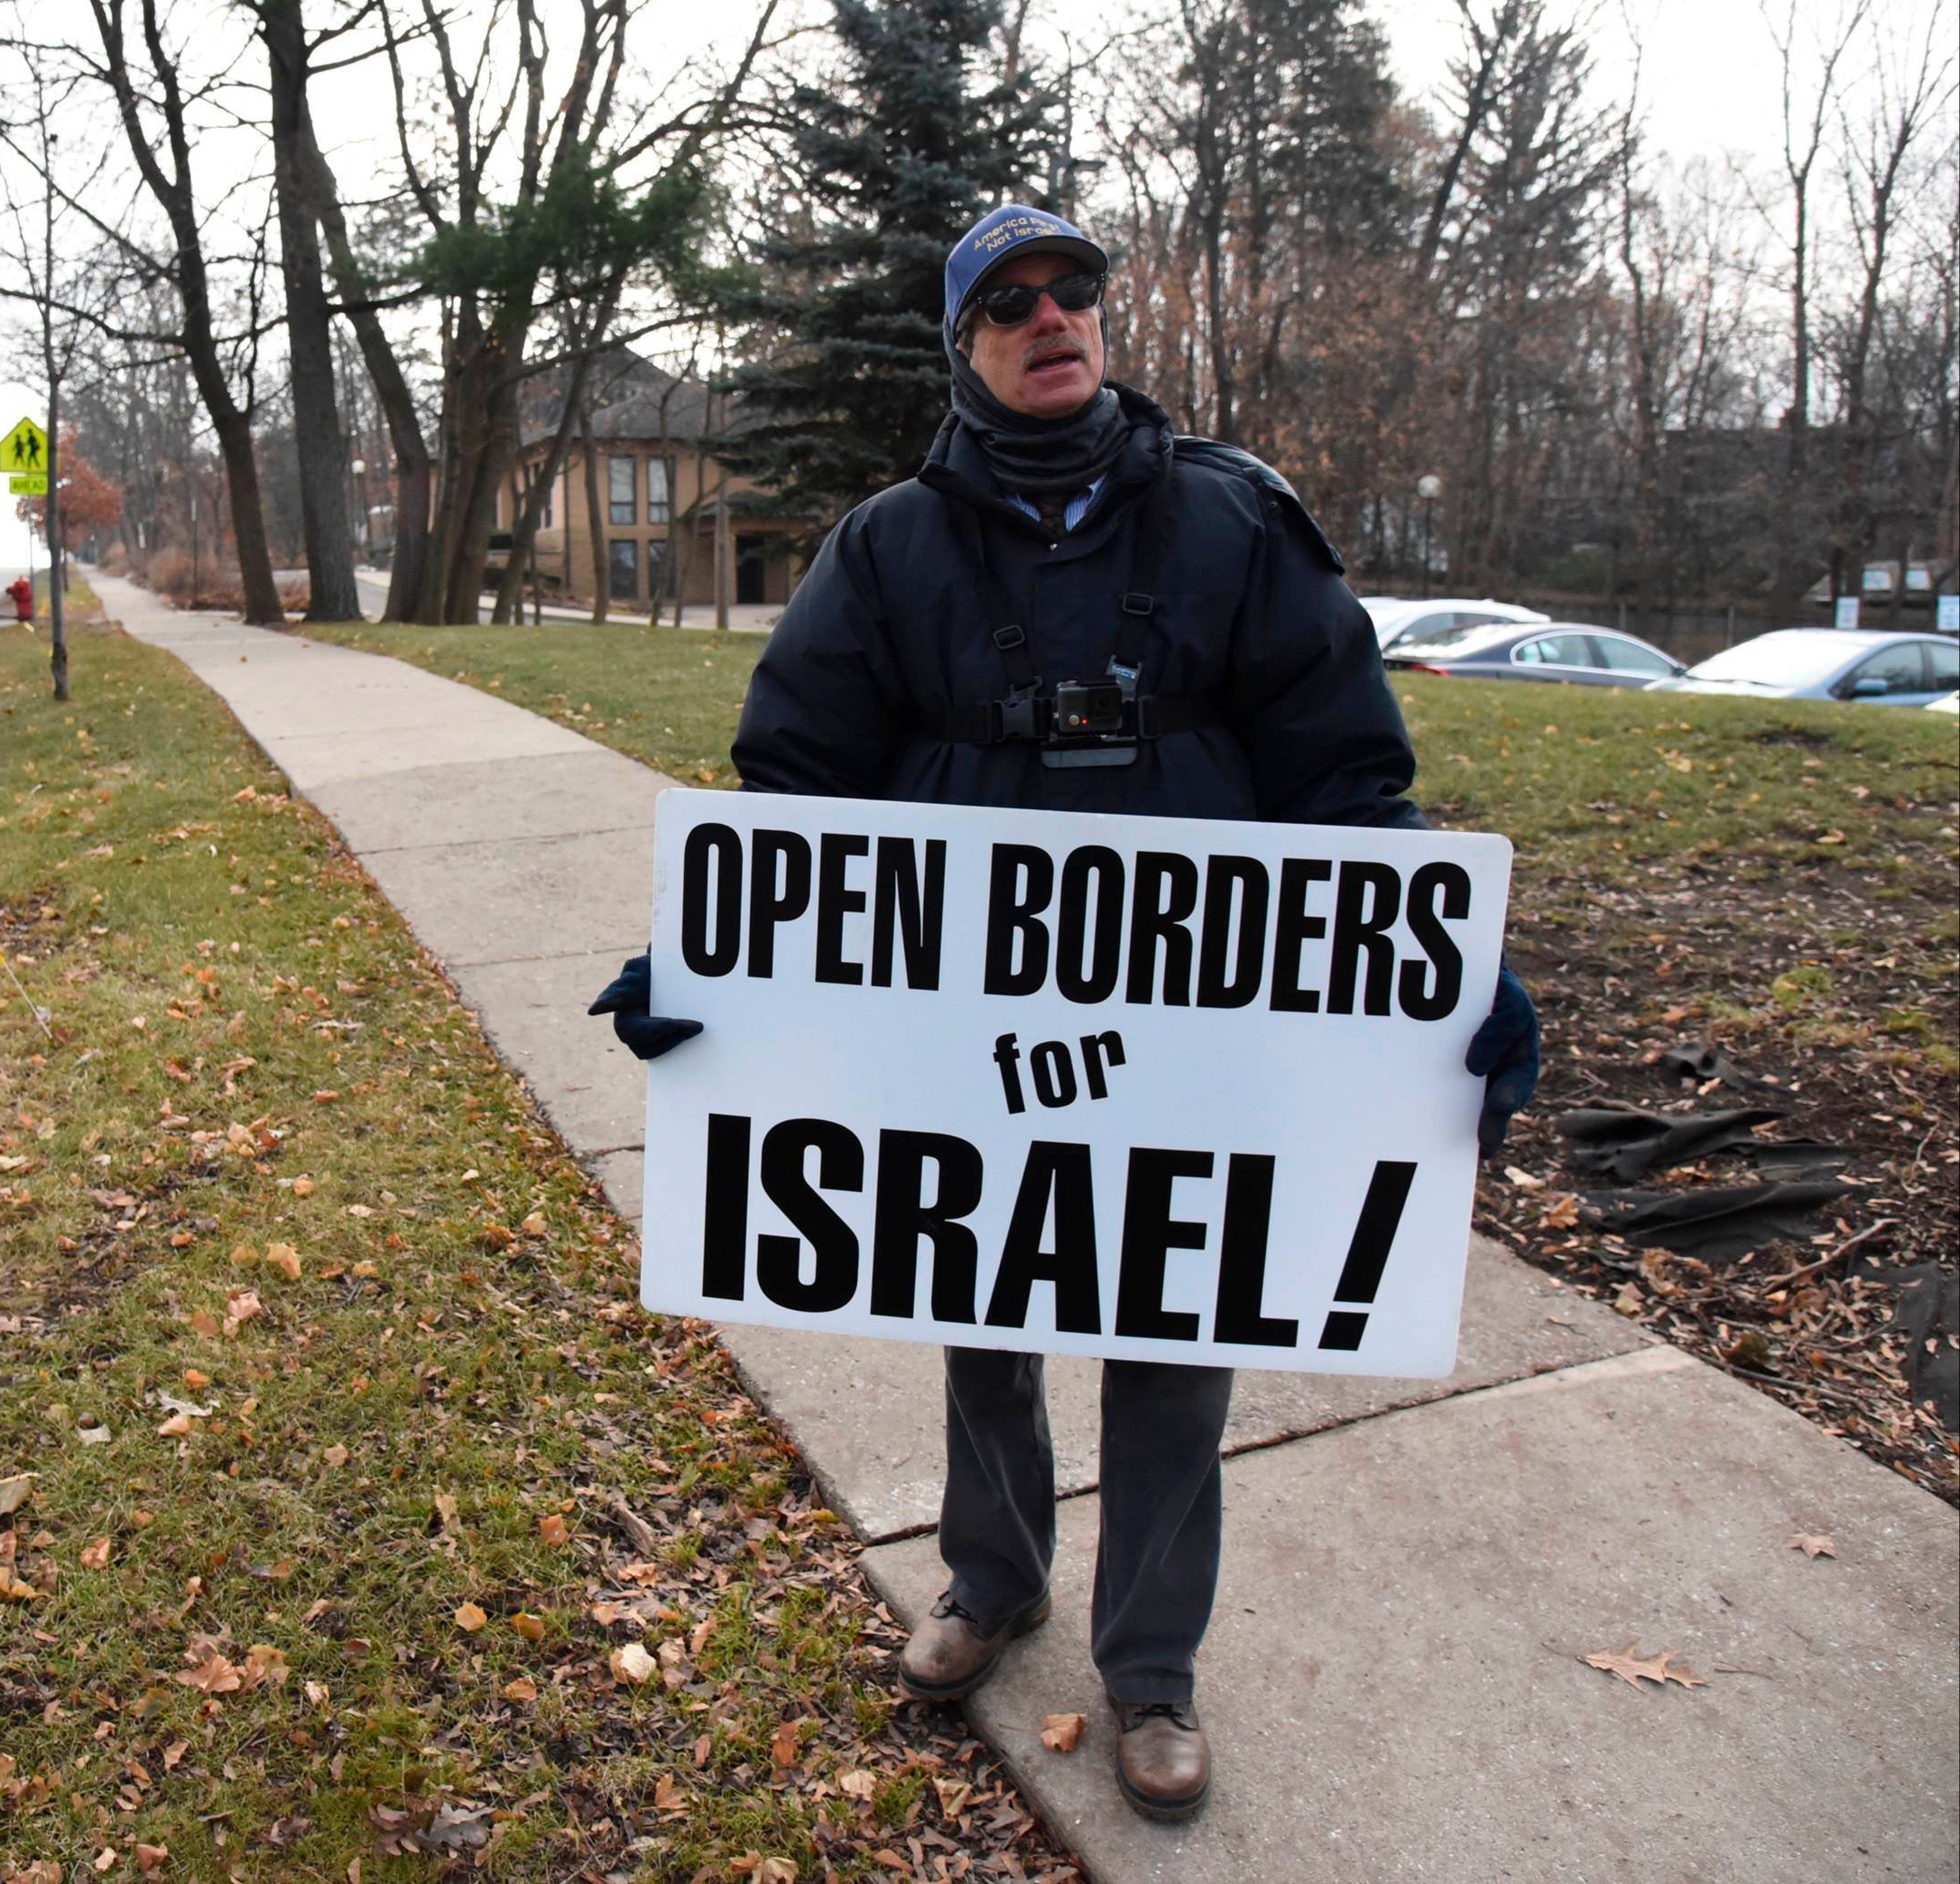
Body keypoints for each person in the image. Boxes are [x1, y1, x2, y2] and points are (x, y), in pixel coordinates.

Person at [590, 203, 1540, 1824]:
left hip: (1206, 1008)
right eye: (1010, 301)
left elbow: (1342, 766)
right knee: (985, 1293)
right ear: (964, 346)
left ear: (1104, 320)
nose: (1052, 317)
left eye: (1076, 291)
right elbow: (796, 788)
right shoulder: (886, 545)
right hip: (966, 1018)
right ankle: (993, 1577)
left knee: (1179, 1324)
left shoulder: (1237, 523)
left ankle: (1153, 1669)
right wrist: (712, 965)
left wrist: (1441, 969)